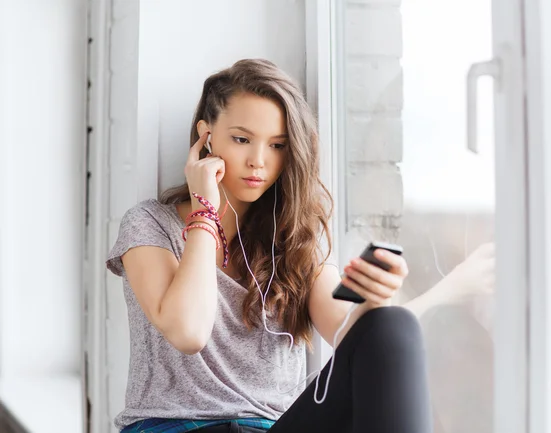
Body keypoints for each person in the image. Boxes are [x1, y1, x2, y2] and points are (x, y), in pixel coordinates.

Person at [106, 58, 433, 433]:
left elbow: (353, 337)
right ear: (206, 135)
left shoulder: (295, 239)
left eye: (277, 145)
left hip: (273, 427)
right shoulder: (150, 224)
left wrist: (376, 297)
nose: (258, 161)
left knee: (393, 324)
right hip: (174, 428)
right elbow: (188, 332)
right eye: (242, 139)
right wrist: (205, 212)